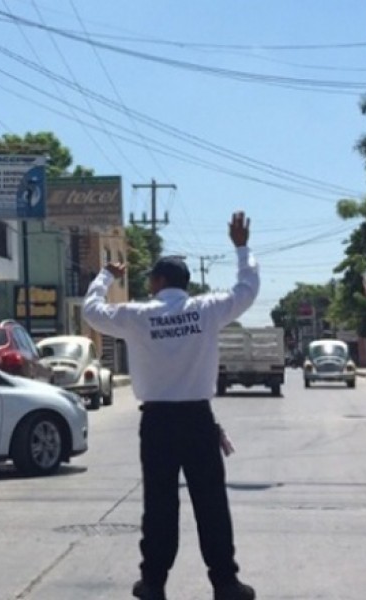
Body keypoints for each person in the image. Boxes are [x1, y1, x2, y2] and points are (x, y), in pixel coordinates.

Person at [83, 211, 259, 600]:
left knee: (159, 505)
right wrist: (241, 247)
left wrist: (106, 276)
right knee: (211, 503)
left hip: (158, 423)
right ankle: (226, 584)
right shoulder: (206, 309)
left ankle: (154, 584)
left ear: (159, 281)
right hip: (198, 420)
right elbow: (247, 290)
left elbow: (91, 312)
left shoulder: (137, 316)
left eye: (150, 279)